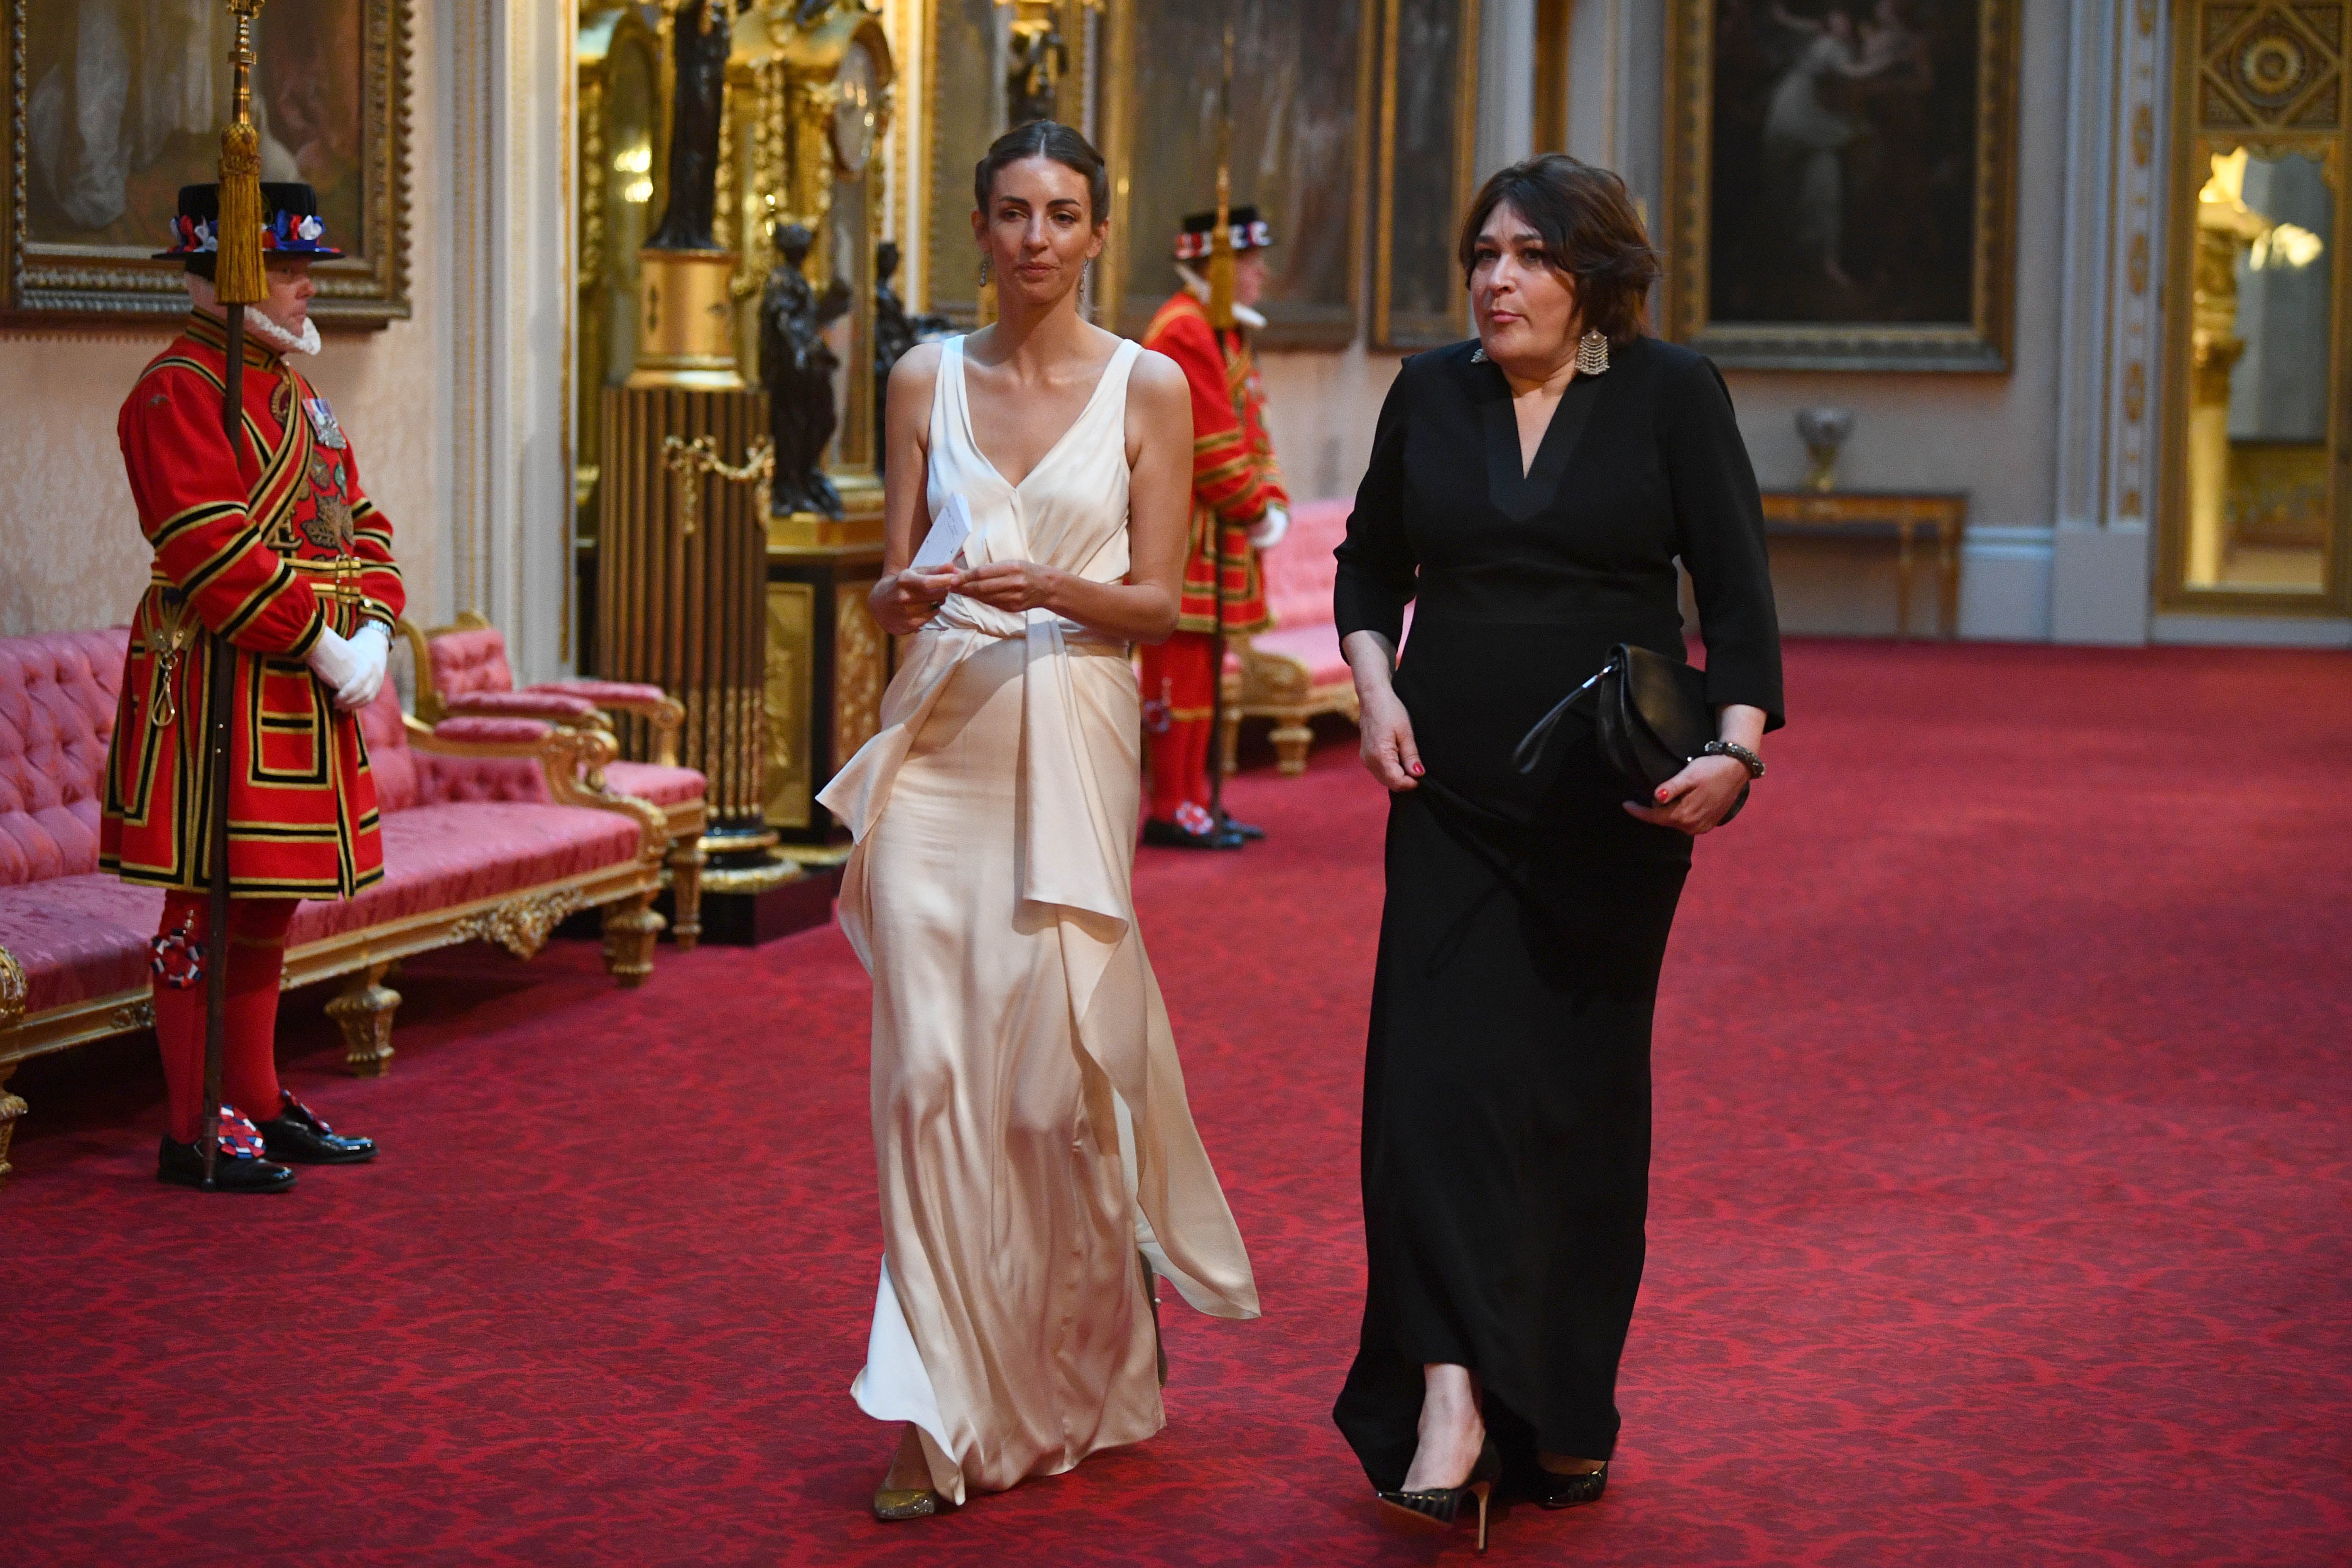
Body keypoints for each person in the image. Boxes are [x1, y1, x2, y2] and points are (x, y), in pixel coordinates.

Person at [1329, 154, 1783, 1547]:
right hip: (1450, 796)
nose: (1494, 280)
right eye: (1480, 253)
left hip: (1610, 812)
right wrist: (1376, 691)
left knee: (1569, 1107)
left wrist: (1737, 752)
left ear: (1589, 274)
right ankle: (1451, 1394)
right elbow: (1366, 569)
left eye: (1525, 255)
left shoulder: (1668, 394)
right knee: (1427, 1092)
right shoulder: (1431, 390)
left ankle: (1563, 1409)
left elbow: (1738, 598)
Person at [815, 120, 1260, 1521]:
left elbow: (1158, 604)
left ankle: (1083, 1344)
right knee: (921, 1082)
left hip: (1069, 732)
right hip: (937, 746)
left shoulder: (1147, 387)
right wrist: (902, 598)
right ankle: (931, 1405)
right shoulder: (915, 377)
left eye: (1060, 214)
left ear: (1093, 231)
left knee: (1043, 1089)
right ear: (978, 224)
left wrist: (1042, 592)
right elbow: (891, 578)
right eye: (1009, 213)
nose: (1033, 239)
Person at [103, 182, 397, 1192]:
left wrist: (376, 627)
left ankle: (260, 1099)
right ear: (230, 274)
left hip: (298, 684)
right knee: (204, 902)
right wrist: (320, 638)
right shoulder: (174, 390)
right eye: (288, 266)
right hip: (218, 674)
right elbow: (207, 550)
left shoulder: (299, 395)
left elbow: (366, 522)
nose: (310, 286)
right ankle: (194, 1126)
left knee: (269, 899)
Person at [1135, 206, 1290, 849]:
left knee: (1206, 672)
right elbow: (1208, 444)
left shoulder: (1226, 332)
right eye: (1251, 264)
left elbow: (1254, 430)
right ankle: (1172, 805)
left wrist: (1271, 497)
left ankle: (1198, 799)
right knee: (1179, 677)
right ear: (1221, 268)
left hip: (1220, 536)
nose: (1262, 275)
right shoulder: (1183, 331)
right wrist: (1257, 508)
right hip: (1185, 534)